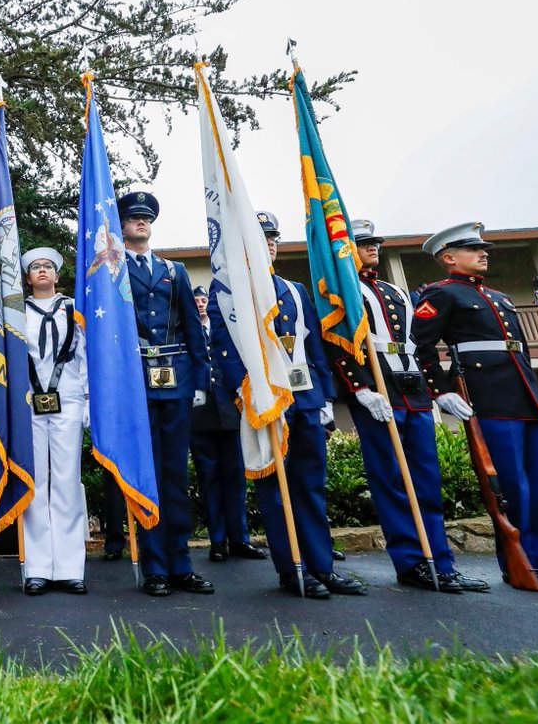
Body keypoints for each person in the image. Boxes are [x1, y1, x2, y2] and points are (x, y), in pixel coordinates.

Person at [411, 222, 538, 589]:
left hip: (524, 396)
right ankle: (520, 564)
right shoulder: (441, 294)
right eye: (473, 249)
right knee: (512, 489)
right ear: (449, 258)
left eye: (484, 249)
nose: (483, 253)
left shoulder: (499, 297)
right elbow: (421, 346)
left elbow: (520, 351)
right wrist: (441, 392)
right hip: (489, 398)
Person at [209, 212, 364, 600]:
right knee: (276, 489)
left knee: (311, 486)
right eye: (262, 238)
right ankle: (292, 568)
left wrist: (326, 396)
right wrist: (245, 395)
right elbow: (224, 350)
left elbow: (314, 347)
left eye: (274, 237)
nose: (271, 243)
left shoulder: (294, 289)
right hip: (267, 401)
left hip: (305, 397)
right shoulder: (230, 293)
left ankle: (322, 567)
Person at [328, 220, 487, 593]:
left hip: (412, 390)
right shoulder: (343, 292)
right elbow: (335, 342)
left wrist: (439, 390)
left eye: (375, 243)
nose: (373, 248)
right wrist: (360, 388)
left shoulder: (395, 291)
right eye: (364, 243)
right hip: (379, 391)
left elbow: (420, 343)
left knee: (426, 482)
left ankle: (441, 562)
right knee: (392, 481)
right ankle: (412, 562)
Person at [118, 191, 214, 597]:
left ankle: (181, 564)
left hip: (174, 380)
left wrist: (200, 381)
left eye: (146, 217)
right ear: (121, 224)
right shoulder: (111, 268)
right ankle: (155, 567)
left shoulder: (173, 271)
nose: (141, 222)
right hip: (135, 381)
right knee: (148, 476)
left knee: (176, 476)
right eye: (134, 217)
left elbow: (192, 327)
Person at [20, 246, 88, 595]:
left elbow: (86, 355)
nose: (42, 271)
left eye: (48, 266)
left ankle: (69, 567)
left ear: (57, 275)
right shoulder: (17, 312)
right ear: (28, 277)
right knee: (36, 483)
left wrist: (89, 399)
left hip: (69, 400)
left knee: (65, 480)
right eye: (35, 267)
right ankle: (37, 567)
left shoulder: (75, 309)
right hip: (30, 402)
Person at [188, 284, 268, 563]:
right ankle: (218, 540)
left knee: (235, 478)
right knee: (209, 480)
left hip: (231, 413)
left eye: (203, 300)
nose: (199, 304)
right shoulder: (187, 331)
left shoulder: (225, 331)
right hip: (199, 416)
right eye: (195, 300)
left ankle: (239, 539)